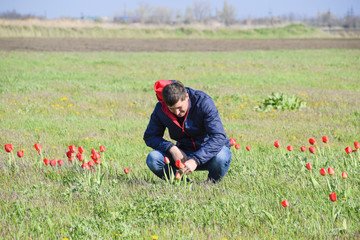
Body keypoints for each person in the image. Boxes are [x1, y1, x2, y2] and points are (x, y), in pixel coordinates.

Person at [143, 80, 231, 183]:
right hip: (183, 154)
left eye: (180, 108)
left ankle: (210, 185)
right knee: (153, 158)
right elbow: (150, 136)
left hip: (208, 153)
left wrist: (196, 160)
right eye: (172, 109)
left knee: (222, 156)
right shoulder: (161, 109)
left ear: (186, 96)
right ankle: (184, 184)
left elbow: (219, 136)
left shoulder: (203, 102)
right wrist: (172, 148)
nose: (177, 112)